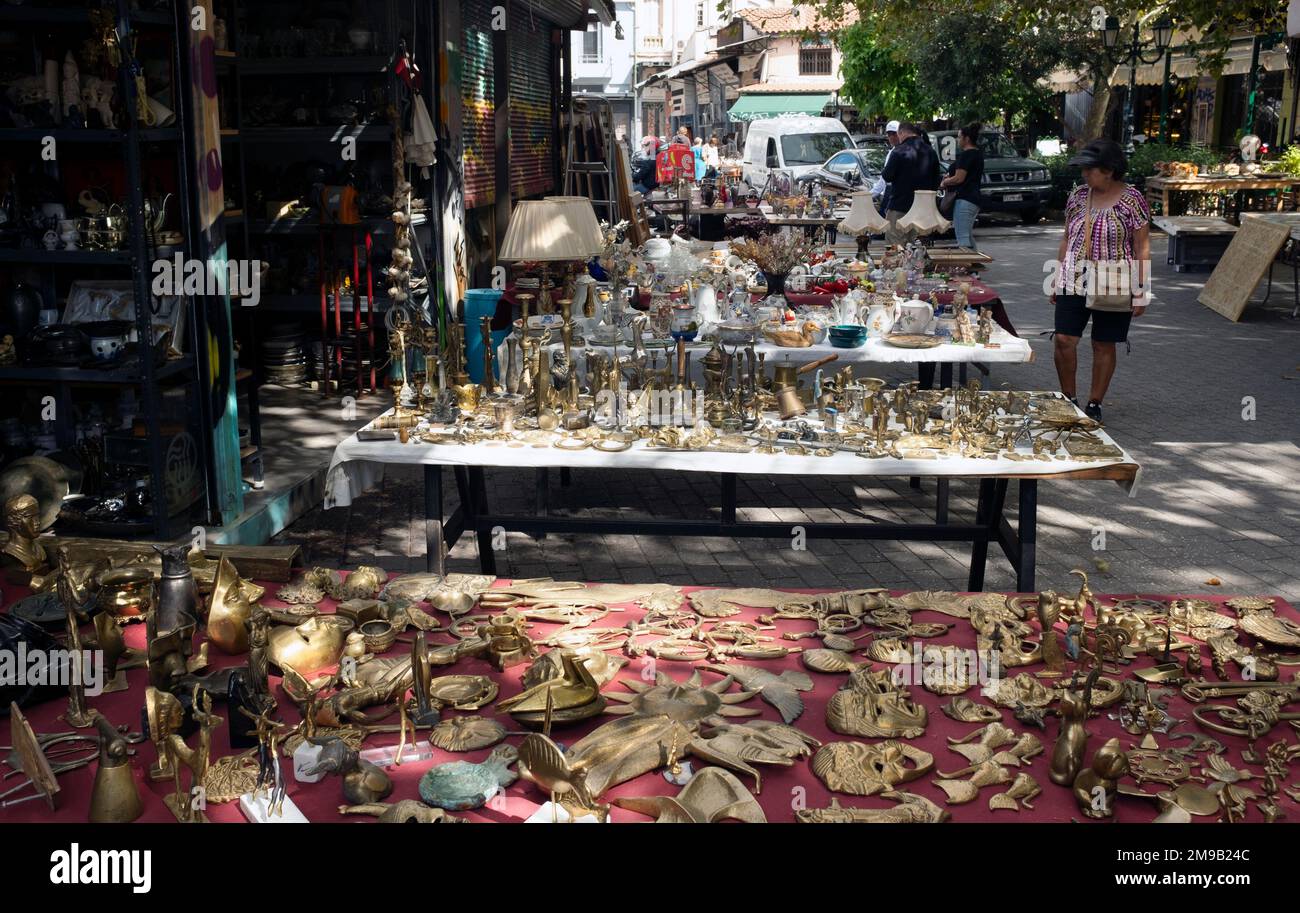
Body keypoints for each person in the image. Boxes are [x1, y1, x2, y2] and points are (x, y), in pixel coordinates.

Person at [1050, 138, 1151, 423]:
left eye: (1089, 169)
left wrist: (1141, 290)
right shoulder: (1078, 197)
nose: (1084, 175)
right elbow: (1067, 238)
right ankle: (1068, 399)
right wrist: (1057, 278)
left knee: (1103, 343)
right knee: (1064, 339)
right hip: (1075, 275)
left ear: (1109, 169)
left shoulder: (1132, 199)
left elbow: (1142, 245)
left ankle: (1094, 403)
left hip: (1115, 278)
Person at [880, 121, 940, 245]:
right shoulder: (930, 151)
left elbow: (887, 176)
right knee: (918, 248)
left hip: (899, 205)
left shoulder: (898, 151)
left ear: (901, 133)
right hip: (922, 208)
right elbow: (936, 181)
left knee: (896, 246)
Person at [939, 122, 985, 249]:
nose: (957, 140)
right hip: (973, 199)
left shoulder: (967, 155)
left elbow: (959, 178)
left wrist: (945, 182)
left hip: (965, 199)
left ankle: (966, 266)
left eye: (959, 137)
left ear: (967, 139)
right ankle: (974, 265)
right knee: (968, 235)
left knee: (962, 237)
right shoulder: (977, 154)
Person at [871, 119, 901, 209]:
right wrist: (869, 195)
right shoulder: (891, 153)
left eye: (894, 134)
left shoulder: (905, 152)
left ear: (900, 134)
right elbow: (883, 180)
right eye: (889, 134)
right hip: (889, 196)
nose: (891, 137)